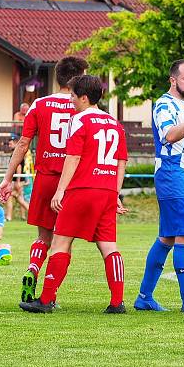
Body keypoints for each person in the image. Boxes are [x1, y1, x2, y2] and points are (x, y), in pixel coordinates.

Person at [19, 75, 128, 314]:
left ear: (84, 97)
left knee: (60, 242)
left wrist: (61, 190)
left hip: (82, 190)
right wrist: (116, 193)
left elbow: (73, 157)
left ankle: (46, 300)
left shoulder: (79, 120)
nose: (71, 100)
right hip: (108, 191)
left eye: (73, 96)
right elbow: (121, 162)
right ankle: (117, 302)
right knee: (109, 246)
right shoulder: (115, 124)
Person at [0, 56, 89, 303]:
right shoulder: (84, 108)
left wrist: (7, 178)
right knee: (63, 242)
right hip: (71, 182)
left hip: (45, 179)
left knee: (43, 237)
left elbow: (23, 143)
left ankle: (33, 269)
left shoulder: (39, 104)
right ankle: (50, 294)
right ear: (78, 78)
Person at [134, 59, 184, 314]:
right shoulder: (164, 104)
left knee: (167, 238)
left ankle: (144, 297)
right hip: (172, 175)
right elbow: (170, 136)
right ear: (173, 80)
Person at [4, 135, 30, 221]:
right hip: (17, 180)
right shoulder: (17, 153)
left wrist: (18, 181)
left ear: (15, 143)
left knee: (19, 199)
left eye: (10, 144)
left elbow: (18, 167)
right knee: (17, 198)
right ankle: (9, 217)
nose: (9, 145)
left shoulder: (16, 153)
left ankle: (9, 216)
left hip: (17, 180)